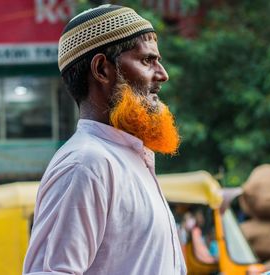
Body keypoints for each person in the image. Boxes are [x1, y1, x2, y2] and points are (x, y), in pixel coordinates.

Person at [23, 4, 186, 275]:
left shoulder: (127, 158)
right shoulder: (86, 164)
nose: (162, 74)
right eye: (148, 60)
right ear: (102, 69)